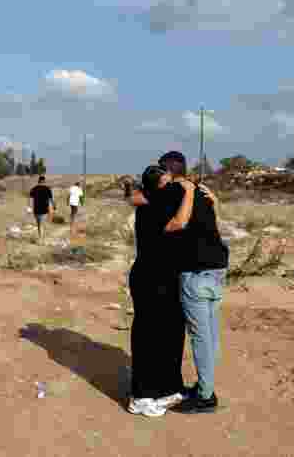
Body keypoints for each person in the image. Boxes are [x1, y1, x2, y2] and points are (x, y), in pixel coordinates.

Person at [157, 151, 229, 414]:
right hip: (218, 268)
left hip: (196, 272)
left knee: (200, 336)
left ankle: (206, 396)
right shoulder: (203, 192)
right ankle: (204, 386)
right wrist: (215, 205)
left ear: (167, 172)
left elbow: (177, 224)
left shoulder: (178, 192)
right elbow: (213, 228)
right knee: (210, 334)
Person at [126, 165, 188, 417]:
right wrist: (191, 191)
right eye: (167, 182)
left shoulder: (155, 200)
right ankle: (140, 396)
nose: (172, 185)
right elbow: (178, 222)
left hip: (166, 277)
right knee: (148, 336)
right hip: (150, 278)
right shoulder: (151, 206)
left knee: (169, 333)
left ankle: (165, 388)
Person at [29, 176, 54, 243]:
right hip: (44, 209)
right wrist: (53, 206)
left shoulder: (34, 189)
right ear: (44, 181)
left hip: (36, 209)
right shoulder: (47, 189)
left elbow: (30, 199)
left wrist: (29, 208)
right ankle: (41, 239)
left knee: (39, 224)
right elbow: (51, 199)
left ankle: (40, 237)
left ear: (38, 181)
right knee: (42, 224)